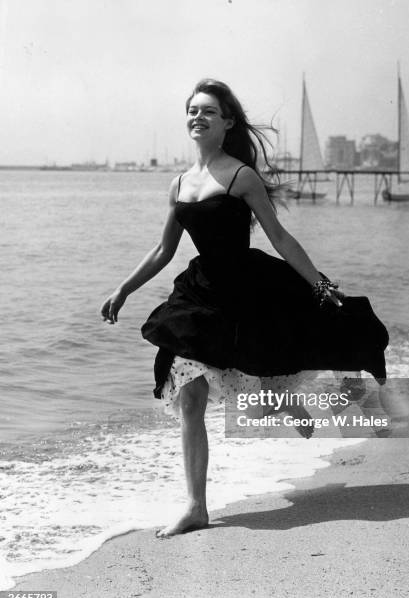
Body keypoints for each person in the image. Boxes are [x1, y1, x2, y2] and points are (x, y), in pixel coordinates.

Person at [101, 78, 389, 537]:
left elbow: (279, 237)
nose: (198, 117)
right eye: (193, 110)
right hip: (200, 294)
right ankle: (197, 506)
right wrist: (124, 289)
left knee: (259, 375)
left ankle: (284, 401)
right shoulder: (178, 184)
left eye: (209, 111)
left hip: (247, 292)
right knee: (190, 394)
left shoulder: (241, 176)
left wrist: (321, 285)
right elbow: (162, 251)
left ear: (227, 122)